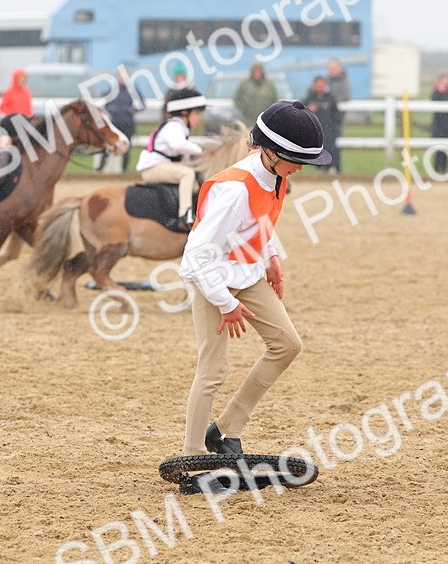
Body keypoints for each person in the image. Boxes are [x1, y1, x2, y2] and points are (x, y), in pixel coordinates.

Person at [177, 100, 332, 486]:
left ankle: (225, 429)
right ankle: (192, 458)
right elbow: (197, 255)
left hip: (245, 271)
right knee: (213, 370)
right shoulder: (233, 189)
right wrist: (225, 304)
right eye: (296, 159)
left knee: (287, 344)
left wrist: (273, 256)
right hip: (210, 277)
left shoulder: (275, 175)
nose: (299, 169)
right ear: (270, 151)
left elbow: (259, 222)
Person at [136, 87, 206, 231]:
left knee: (194, 183)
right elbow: (178, 145)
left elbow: (184, 158)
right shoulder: (174, 126)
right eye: (197, 113)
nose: (199, 118)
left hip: (158, 167)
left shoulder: (179, 128)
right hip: (152, 169)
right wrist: (201, 152)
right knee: (187, 174)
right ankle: (184, 215)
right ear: (185, 113)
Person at [104, 68, 142, 172]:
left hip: (127, 124)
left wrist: (132, 109)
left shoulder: (133, 90)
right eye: (119, 76)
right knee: (108, 147)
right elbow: (106, 103)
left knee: (126, 149)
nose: (121, 78)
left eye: (123, 76)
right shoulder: (113, 89)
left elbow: (141, 105)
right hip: (114, 124)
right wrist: (112, 109)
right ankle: (102, 170)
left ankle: (123, 171)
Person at [302, 76, 341, 172]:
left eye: (321, 84)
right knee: (317, 151)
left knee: (331, 149)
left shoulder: (330, 98)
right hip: (315, 131)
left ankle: (333, 168)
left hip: (329, 131)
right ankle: (318, 169)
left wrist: (334, 127)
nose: (319, 87)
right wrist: (308, 109)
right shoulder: (309, 98)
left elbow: (336, 115)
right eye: (317, 85)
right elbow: (301, 112)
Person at [430, 73, 448, 174]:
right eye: (445, 80)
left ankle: (444, 172)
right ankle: (437, 172)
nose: (447, 82)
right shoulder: (437, 92)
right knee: (439, 151)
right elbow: (434, 101)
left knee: (447, 151)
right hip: (440, 127)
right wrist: (440, 91)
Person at [326, 59, 351, 171]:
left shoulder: (344, 82)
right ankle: (326, 167)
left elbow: (345, 96)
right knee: (326, 142)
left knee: (335, 143)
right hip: (326, 118)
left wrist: (332, 103)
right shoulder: (326, 81)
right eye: (330, 67)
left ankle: (336, 167)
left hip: (337, 119)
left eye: (334, 67)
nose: (332, 70)